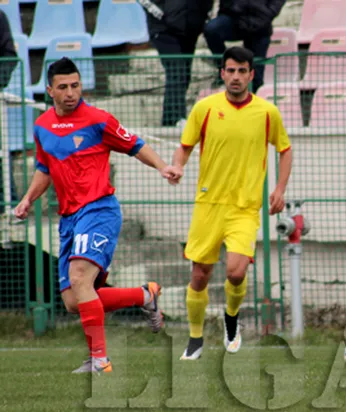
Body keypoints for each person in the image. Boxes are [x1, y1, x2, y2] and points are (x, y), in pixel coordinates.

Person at [13, 57, 181, 374]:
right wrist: (26, 199)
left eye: (75, 85)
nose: (71, 92)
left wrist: (162, 167)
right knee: (74, 301)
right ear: (50, 90)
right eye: (63, 87)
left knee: (79, 277)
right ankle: (144, 295)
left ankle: (100, 360)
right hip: (69, 217)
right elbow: (44, 168)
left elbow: (135, 144)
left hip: (99, 209)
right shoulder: (42, 126)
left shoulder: (98, 120)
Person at [171, 47, 293, 360]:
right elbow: (185, 146)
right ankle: (195, 339)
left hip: (244, 208)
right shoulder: (205, 108)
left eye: (242, 71)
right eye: (230, 71)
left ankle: (231, 319)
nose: (236, 77)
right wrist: (178, 166)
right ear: (222, 73)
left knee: (236, 273)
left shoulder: (267, 112)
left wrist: (279, 188)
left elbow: (285, 149)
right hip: (209, 205)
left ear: (252, 74)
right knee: (199, 275)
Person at [140, 0, 215, 126]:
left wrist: (203, 17)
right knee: (176, 71)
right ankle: (177, 117)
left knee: (184, 74)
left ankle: (168, 120)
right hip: (163, 29)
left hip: (189, 30)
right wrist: (162, 14)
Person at [204, 0, 286, 93]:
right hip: (234, 18)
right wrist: (233, 7)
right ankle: (224, 65)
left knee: (256, 78)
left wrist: (266, 13)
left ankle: (253, 103)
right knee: (212, 30)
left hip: (261, 23)